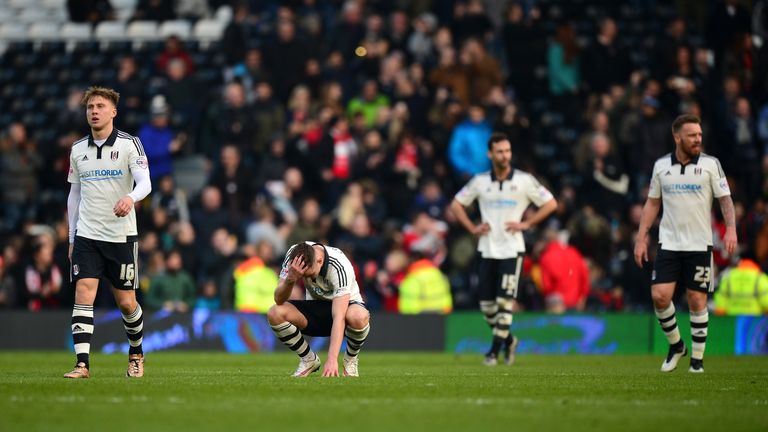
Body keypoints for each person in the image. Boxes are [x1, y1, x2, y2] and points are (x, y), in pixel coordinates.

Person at [634, 114, 737, 374]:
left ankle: (697, 361)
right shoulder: (661, 167)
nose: (698, 139)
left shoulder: (711, 165)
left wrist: (731, 229)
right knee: (659, 296)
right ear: (677, 137)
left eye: (700, 135)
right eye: (692, 135)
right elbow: (652, 203)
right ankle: (677, 345)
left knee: (696, 299)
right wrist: (641, 237)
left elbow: (725, 199)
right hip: (669, 242)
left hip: (699, 243)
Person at [64, 86, 152, 379]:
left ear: (113, 111)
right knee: (83, 292)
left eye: (100, 106)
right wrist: (72, 237)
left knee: (127, 302)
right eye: (90, 107)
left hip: (121, 237)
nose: (94, 111)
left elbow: (145, 183)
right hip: (88, 235)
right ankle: (82, 364)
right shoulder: (78, 149)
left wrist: (131, 198)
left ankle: (136, 353)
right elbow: (74, 196)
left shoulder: (130, 144)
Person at [450, 133, 557, 366]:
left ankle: (493, 352)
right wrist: (471, 227)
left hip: (512, 248)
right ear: (490, 154)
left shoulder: (524, 180)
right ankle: (509, 341)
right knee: (487, 307)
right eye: (500, 151)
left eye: (507, 151)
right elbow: (456, 204)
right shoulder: (480, 182)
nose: (505, 155)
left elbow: (551, 203)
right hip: (487, 248)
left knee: (504, 302)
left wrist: (527, 224)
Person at [266, 241, 370, 377]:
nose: (308, 279)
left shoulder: (339, 265)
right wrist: (290, 279)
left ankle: (350, 360)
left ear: (319, 261)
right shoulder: (294, 255)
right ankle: (308, 359)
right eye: (304, 276)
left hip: (345, 310)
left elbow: (339, 316)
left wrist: (332, 360)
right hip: (316, 307)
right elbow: (279, 299)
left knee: (358, 316)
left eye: (310, 274)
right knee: (275, 312)